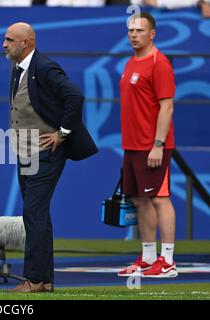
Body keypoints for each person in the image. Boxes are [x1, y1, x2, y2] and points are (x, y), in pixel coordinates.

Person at [2, 22, 98, 293]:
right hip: (27, 153)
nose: (4, 44)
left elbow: (74, 97)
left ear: (26, 42)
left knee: (33, 212)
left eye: (9, 39)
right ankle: (43, 281)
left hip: (46, 152)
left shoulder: (44, 67)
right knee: (38, 215)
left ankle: (33, 279)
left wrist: (62, 133)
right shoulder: (19, 69)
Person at [118, 12, 178, 278]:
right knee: (139, 200)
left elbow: (167, 107)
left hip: (152, 146)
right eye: (131, 30)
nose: (134, 34)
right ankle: (149, 256)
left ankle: (167, 260)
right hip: (132, 145)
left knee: (159, 198)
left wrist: (158, 144)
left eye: (140, 30)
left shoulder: (159, 63)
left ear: (152, 34)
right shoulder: (131, 62)